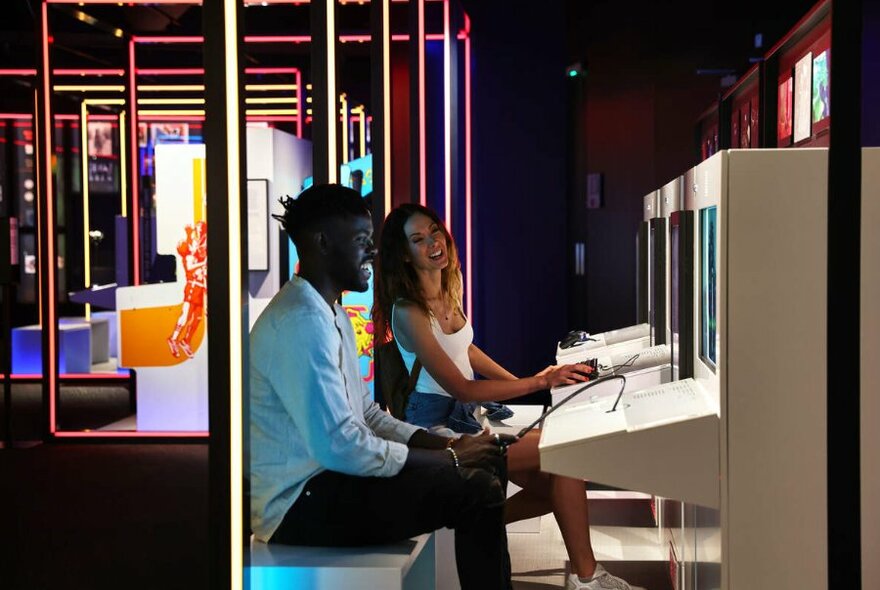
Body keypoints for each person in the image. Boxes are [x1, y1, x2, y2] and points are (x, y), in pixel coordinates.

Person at [249, 184, 515, 590]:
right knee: (476, 487)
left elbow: (367, 415)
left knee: (485, 467)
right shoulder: (300, 321)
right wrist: (451, 460)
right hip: (300, 505)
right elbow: (341, 446)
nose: (372, 251)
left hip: (331, 482)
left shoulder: (329, 312)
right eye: (360, 241)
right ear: (322, 243)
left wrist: (444, 446)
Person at [373, 203, 644, 590]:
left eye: (434, 231)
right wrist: (537, 383)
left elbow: (465, 349)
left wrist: (521, 381)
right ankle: (587, 578)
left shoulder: (448, 288)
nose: (434, 243)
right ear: (403, 253)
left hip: (469, 419)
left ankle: (580, 573)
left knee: (561, 473)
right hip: (438, 433)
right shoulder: (408, 312)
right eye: (419, 239)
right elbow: (462, 387)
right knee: (563, 454)